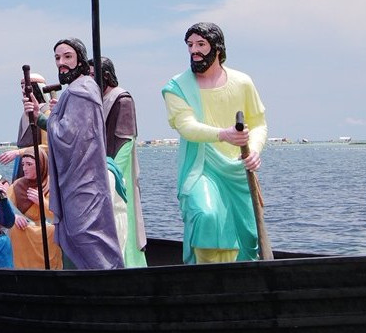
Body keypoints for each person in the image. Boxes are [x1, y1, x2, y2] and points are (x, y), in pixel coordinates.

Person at [161, 22, 268, 264]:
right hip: (201, 167)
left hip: (239, 170)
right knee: (207, 216)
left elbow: (259, 123)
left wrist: (254, 151)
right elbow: (186, 126)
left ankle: (242, 290)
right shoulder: (177, 87)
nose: (194, 51)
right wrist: (224, 134)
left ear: (217, 48)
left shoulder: (242, 82)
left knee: (247, 239)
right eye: (190, 45)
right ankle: (203, 282)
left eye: (200, 44)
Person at [25, 38, 124, 270]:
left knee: (84, 232)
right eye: (57, 58)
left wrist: (42, 117)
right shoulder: (75, 91)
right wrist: (43, 112)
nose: (61, 63)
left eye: (67, 57)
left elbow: (68, 135)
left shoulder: (82, 90)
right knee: (74, 233)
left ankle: (107, 279)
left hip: (84, 177)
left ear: (80, 59)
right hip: (74, 175)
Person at [100, 57, 147, 268]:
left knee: (123, 220)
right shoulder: (99, 100)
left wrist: (113, 170)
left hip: (117, 172)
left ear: (106, 76)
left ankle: (129, 264)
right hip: (102, 168)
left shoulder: (122, 99)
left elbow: (126, 141)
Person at [7, 149, 64, 269]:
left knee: (54, 231)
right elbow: (6, 207)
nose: (24, 168)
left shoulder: (53, 184)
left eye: (29, 164)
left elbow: (60, 214)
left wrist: (42, 202)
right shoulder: (17, 186)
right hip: (25, 228)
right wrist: (15, 217)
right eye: (23, 164)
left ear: (40, 165)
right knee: (15, 229)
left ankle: (51, 269)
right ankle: (21, 269)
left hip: (47, 228)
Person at [0, 71, 50, 166]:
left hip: (39, 165)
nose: (23, 91)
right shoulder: (24, 115)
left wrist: (18, 152)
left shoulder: (46, 112)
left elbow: (47, 146)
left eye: (26, 87)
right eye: (21, 87)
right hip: (23, 163)